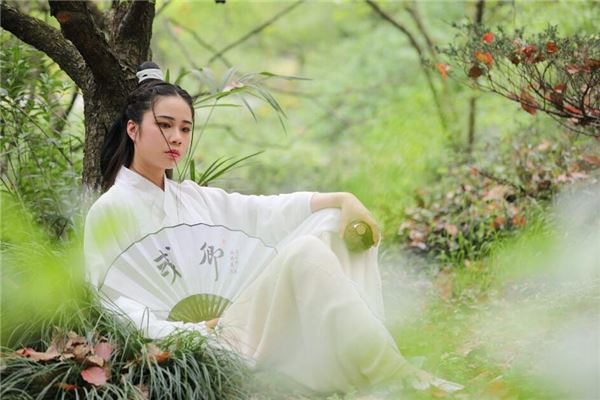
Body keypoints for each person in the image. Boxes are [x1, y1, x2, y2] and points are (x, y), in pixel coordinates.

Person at [84, 61, 460, 395]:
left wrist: (341, 199)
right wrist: (195, 331)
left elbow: (263, 213)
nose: (177, 138)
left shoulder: (191, 197)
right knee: (305, 252)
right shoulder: (110, 211)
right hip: (191, 344)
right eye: (164, 125)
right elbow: (114, 306)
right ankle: (392, 372)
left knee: (330, 225)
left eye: (185, 128)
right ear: (133, 129)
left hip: (231, 322)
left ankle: (374, 361)